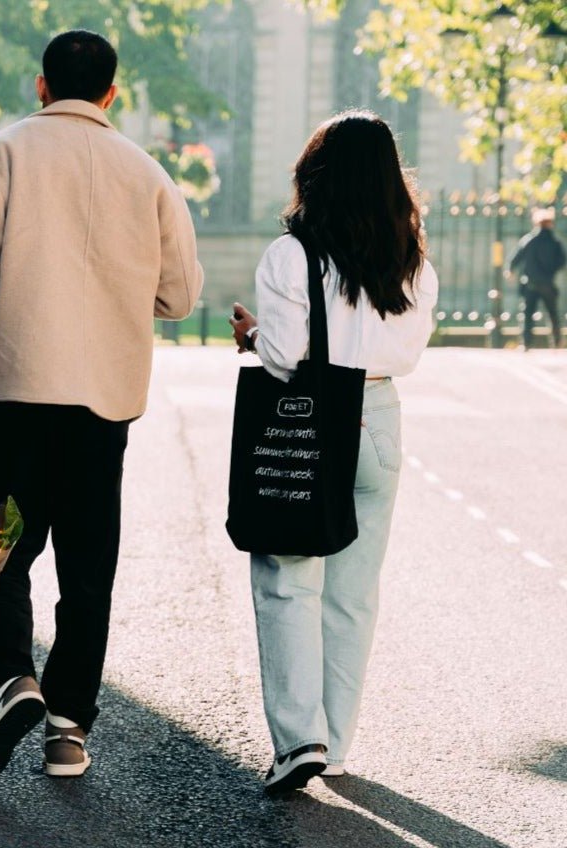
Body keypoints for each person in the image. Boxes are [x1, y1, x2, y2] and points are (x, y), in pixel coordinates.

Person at [0, 30, 203, 786]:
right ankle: (68, 728)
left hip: (13, 399)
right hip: (100, 410)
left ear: (41, 86)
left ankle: (13, 677)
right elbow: (179, 294)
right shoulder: (147, 175)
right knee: (87, 565)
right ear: (112, 94)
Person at [230, 110, 438, 796]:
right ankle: (337, 743)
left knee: (289, 577)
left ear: (314, 174)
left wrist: (254, 334)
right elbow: (405, 352)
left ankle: (300, 740)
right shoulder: (412, 259)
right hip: (378, 418)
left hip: (312, 421)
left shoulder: (292, 255)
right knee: (352, 593)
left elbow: (285, 357)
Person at [508, 207, 566, 349]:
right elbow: (562, 261)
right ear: (550, 223)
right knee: (552, 314)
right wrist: (551, 270)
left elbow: (516, 257)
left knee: (528, 314)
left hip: (531, 283)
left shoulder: (529, 240)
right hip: (548, 283)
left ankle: (526, 342)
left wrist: (510, 270)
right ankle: (557, 341)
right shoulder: (555, 242)